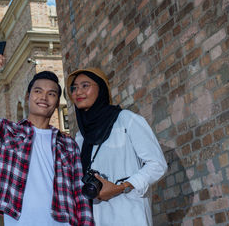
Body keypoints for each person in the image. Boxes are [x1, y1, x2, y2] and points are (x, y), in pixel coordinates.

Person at [0, 52, 94, 226]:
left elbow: (80, 193)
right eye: (38, 91)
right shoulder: (9, 133)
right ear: (28, 97)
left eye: (51, 94)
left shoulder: (67, 144)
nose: (44, 97)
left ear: (57, 102)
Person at [66, 67, 167, 226]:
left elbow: (157, 165)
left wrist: (122, 187)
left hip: (128, 216)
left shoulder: (127, 120)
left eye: (85, 85)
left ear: (101, 89)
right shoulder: (80, 137)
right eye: (74, 88)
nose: (78, 92)